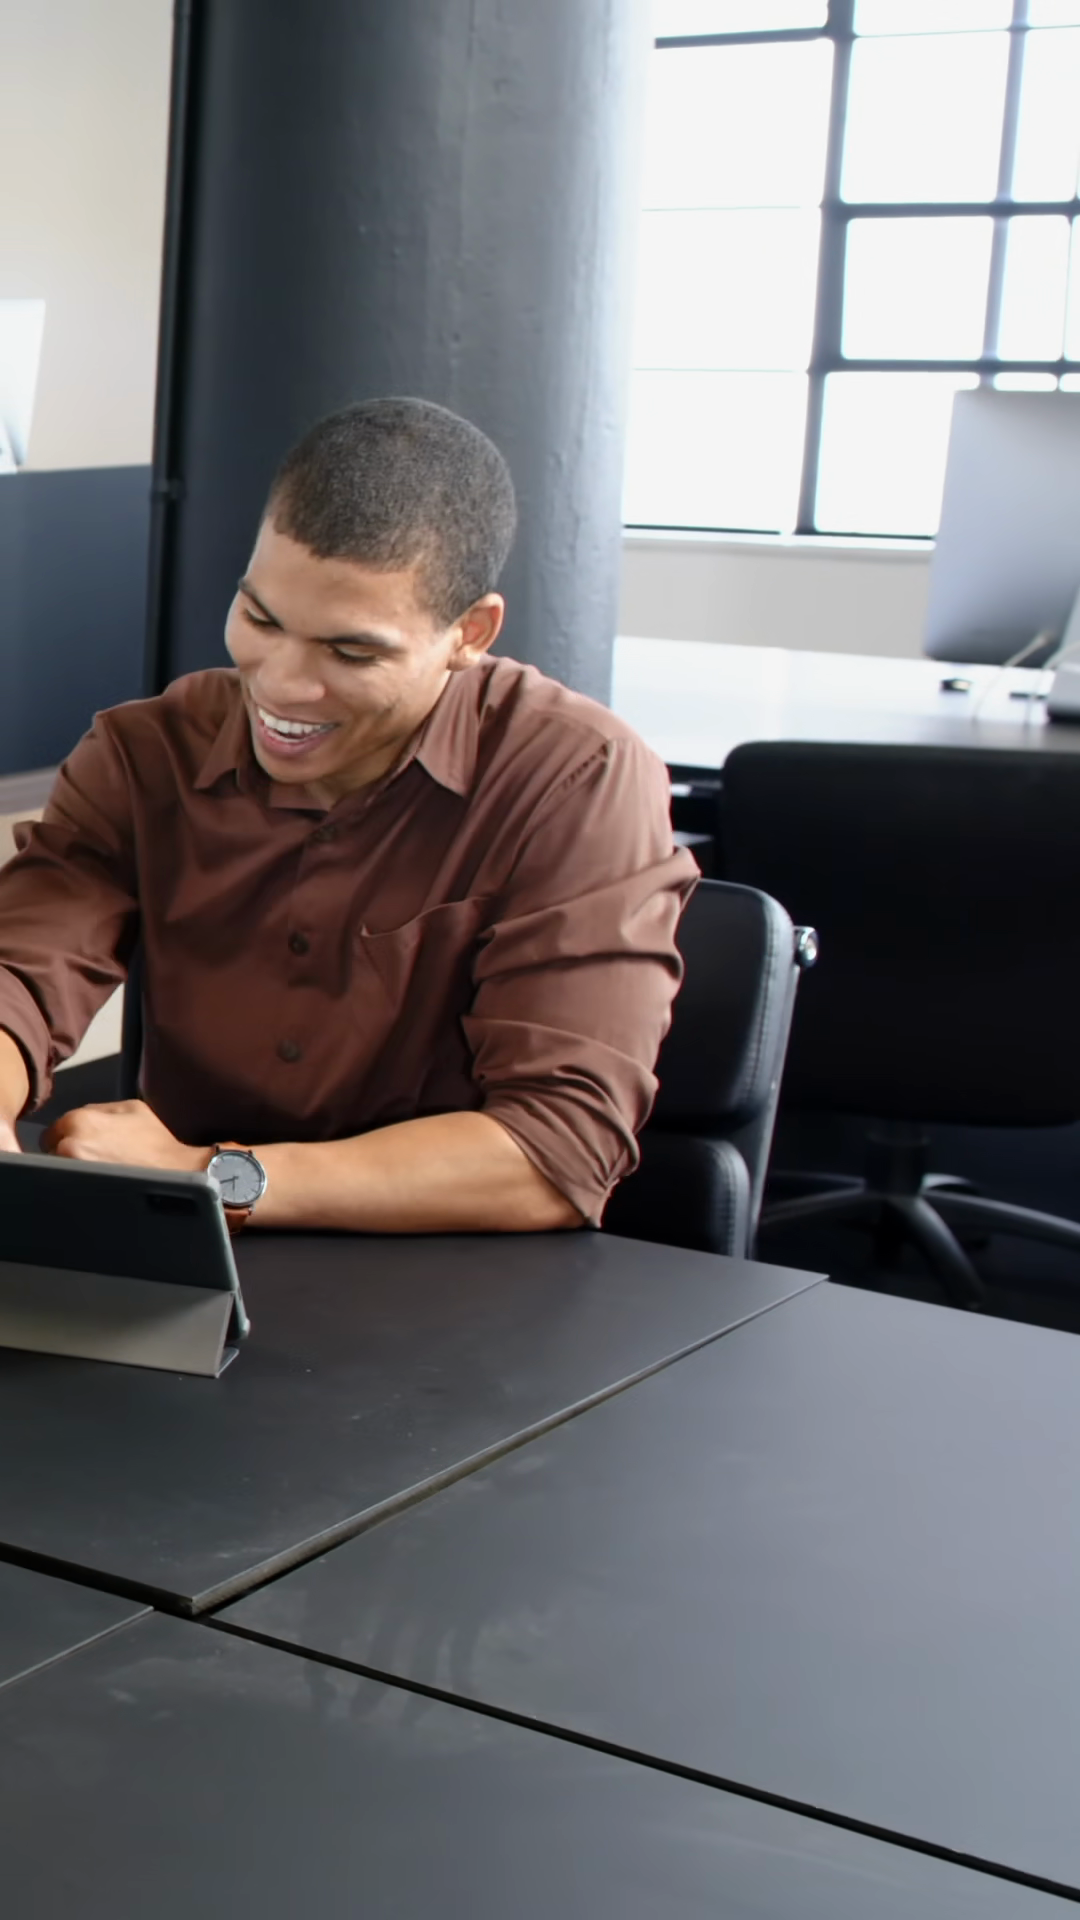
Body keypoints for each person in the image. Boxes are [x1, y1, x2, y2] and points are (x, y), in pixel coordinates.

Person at [0, 398, 697, 1233]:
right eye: (260, 619)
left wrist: (210, 1175)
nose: (281, 683)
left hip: (456, 1273)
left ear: (470, 632)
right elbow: (21, 976)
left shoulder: (577, 778)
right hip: (186, 1252)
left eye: (352, 651)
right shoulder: (145, 751)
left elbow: (556, 1153)